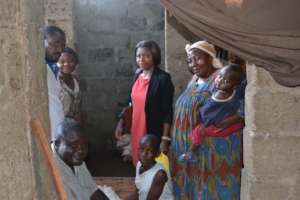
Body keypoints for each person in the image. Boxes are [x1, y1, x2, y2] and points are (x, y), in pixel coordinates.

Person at [170, 41, 244, 199]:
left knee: (212, 190)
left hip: (213, 151)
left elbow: (243, 106)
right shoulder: (195, 79)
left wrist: (228, 122)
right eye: (190, 60)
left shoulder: (223, 77)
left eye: (198, 58)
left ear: (211, 57)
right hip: (191, 151)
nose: (193, 64)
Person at [115, 40, 174, 165]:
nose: (141, 59)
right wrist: (121, 121)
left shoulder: (162, 79)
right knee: (138, 163)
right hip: (136, 128)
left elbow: (167, 112)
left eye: (146, 56)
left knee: (152, 166)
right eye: (138, 56)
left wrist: (165, 139)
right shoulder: (138, 75)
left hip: (152, 131)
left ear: (155, 56)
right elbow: (130, 102)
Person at [179, 64, 244, 162]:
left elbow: (206, 115)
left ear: (234, 86)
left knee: (198, 131)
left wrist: (198, 113)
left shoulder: (218, 96)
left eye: (225, 81)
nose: (220, 81)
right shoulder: (235, 92)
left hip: (218, 128)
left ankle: (191, 152)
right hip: (234, 126)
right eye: (220, 76)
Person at [52, 118, 110, 200]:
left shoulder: (75, 159)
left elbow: (93, 191)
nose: (80, 150)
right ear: (57, 144)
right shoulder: (53, 172)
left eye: (84, 145)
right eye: (73, 146)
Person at [125, 134, 174, 200]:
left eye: (149, 151)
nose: (143, 154)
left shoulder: (160, 175)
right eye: (141, 149)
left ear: (157, 153)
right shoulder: (139, 164)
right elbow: (138, 193)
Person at [44, 25, 66, 140]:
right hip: (48, 135)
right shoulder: (38, 70)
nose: (60, 50)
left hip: (58, 133)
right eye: (55, 44)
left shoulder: (55, 70)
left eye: (63, 45)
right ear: (43, 42)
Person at [57, 47, 81, 123]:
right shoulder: (56, 82)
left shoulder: (76, 81)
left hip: (72, 126)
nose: (66, 64)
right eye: (62, 61)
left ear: (76, 63)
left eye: (71, 61)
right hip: (58, 125)